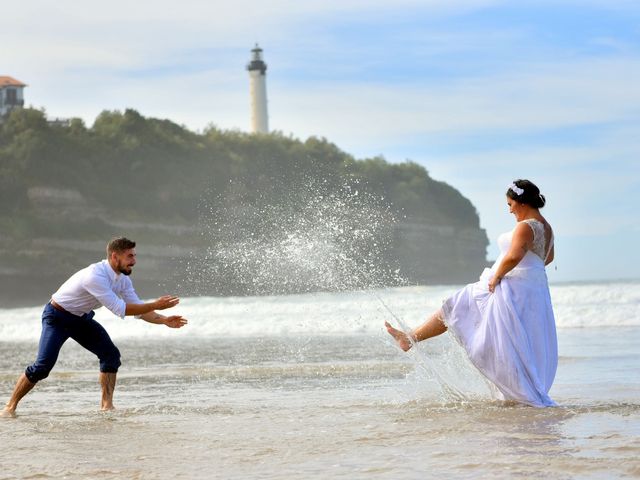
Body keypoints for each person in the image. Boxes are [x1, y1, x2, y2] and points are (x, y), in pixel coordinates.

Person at [386, 179, 558, 407]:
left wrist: (498, 275)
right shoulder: (546, 227)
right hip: (532, 291)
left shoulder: (526, 226)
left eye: (510, 204)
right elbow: (548, 258)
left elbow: (515, 255)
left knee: (458, 306)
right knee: (515, 340)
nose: (509, 210)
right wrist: (528, 274)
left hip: (512, 287)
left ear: (520, 201)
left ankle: (410, 338)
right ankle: (410, 337)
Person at [1, 237, 188, 417]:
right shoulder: (95, 276)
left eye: (134, 256)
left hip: (80, 319)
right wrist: (155, 304)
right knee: (42, 367)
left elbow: (138, 310)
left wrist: (163, 320)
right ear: (115, 256)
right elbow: (120, 308)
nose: (134, 261)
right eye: (130, 256)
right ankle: (10, 406)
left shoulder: (122, 280)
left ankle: (107, 406)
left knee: (110, 355)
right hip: (56, 317)